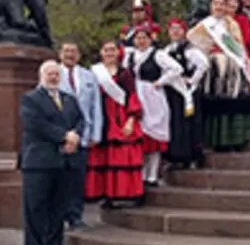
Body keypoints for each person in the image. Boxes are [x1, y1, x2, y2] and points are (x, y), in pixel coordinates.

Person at [19, 60, 84, 245]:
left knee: (58, 210)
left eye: (56, 73)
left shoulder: (69, 99)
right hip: (39, 164)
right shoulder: (31, 99)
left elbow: (80, 120)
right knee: (36, 210)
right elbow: (35, 124)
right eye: (49, 73)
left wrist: (75, 137)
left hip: (64, 163)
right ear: (41, 76)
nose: (53, 77)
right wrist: (64, 136)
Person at [188, 0, 250, 150]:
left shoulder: (232, 24)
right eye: (215, 4)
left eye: (221, 4)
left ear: (225, 7)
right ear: (211, 6)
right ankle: (212, 139)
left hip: (231, 67)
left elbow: (239, 46)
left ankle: (233, 140)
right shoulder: (205, 24)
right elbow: (193, 42)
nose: (218, 7)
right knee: (212, 103)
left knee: (232, 102)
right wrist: (207, 48)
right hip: (212, 67)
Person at [123, 25, 183, 187]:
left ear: (150, 39)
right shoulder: (129, 56)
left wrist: (161, 81)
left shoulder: (158, 55)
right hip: (135, 95)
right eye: (138, 38)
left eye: (144, 38)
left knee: (154, 136)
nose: (141, 41)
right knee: (139, 135)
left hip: (153, 96)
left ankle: (152, 175)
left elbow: (177, 68)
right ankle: (141, 174)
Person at [88, 40, 144, 209]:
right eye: (106, 50)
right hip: (101, 114)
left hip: (120, 117)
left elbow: (132, 96)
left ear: (118, 53)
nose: (109, 53)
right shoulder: (94, 72)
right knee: (103, 157)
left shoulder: (125, 73)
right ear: (101, 52)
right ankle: (107, 194)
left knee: (122, 156)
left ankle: (128, 194)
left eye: (112, 50)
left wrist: (131, 119)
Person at [58, 42, 103, 230]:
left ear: (79, 55)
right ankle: (58, 216)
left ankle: (75, 216)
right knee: (59, 179)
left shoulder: (88, 76)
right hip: (60, 136)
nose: (70, 54)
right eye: (66, 51)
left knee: (78, 179)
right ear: (60, 54)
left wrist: (96, 133)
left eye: (73, 51)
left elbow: (96, 106)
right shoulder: (51, 73)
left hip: (83, 135)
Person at [163, 19, 209, 169]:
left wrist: (192, 80)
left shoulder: (189, 49)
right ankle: (177, 156)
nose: (175, 32)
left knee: (190, 123)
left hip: (187, 92)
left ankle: (193, 155)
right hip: (173, 91)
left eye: (178, 29)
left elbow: (203, 64)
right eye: (172, 29)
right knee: (176, 124)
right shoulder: (166, 50)